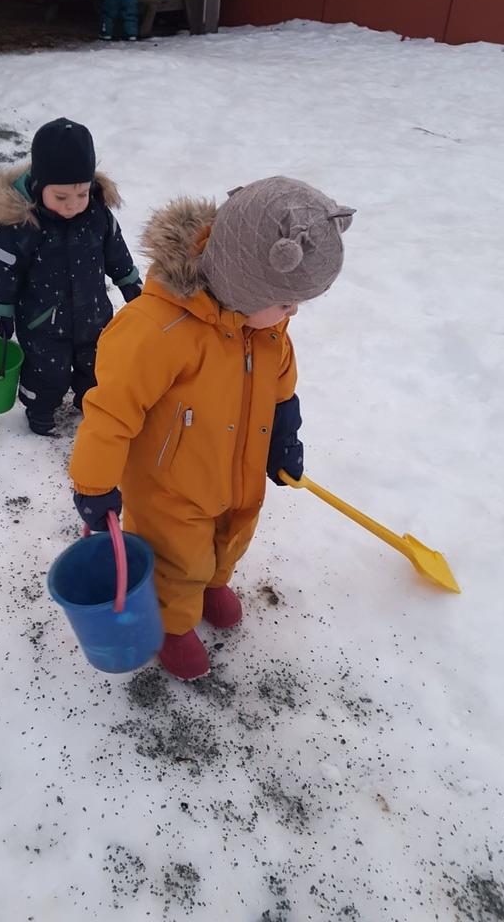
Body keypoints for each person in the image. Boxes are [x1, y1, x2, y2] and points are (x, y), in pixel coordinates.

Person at [69, 176, 355, 680]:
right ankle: (175, 622)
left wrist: (284, 433)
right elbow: (110, 411)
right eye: (287, 301)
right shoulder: (156, 330)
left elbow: (281, 382)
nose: (292, 314)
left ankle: (214, 581)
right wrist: (95, 484)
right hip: (169, 487)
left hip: (235, 468)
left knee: (234, 531)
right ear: (246, 281)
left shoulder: (262, 325)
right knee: (178, 559)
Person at [0, 117, 141, 438]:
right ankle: (40, 411)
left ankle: (90, 403)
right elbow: (2, 270)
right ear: (40, 188)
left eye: (81, 194)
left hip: (94, 316)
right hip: (42, 322)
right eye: (62, 197)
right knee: (46, 373)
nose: (73, 205)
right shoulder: (23, 225)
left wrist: (130, 284)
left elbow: (116, 252)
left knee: (95, 366)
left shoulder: (97, 215)